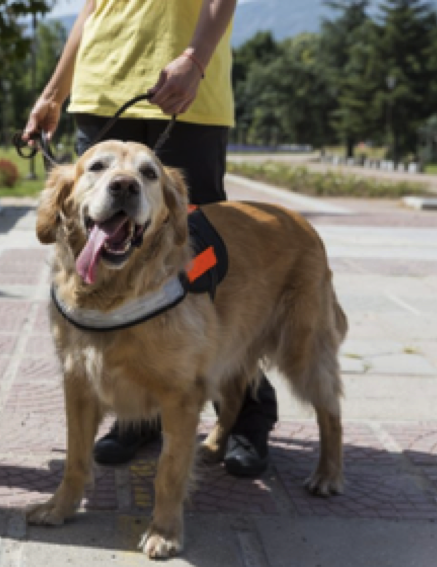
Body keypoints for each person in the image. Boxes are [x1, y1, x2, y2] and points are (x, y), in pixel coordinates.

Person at [23, 0, 278, 477]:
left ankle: (245, 413)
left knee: (205, 278)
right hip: (101, 91)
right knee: (110, 275)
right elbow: (91, 9)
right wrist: (55, 93)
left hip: (186, 88)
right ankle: (139, 417)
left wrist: (197, 59)